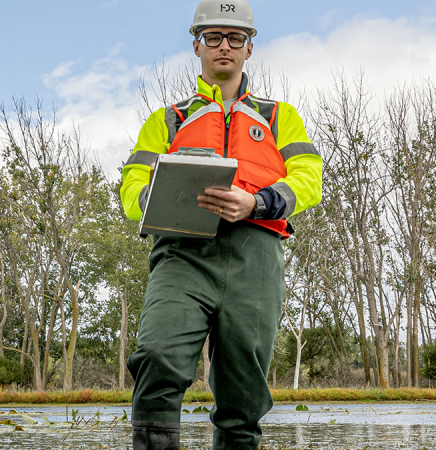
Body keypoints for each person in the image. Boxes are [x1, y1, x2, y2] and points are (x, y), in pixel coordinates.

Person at [118, 0, 324, 448]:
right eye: (213, 37)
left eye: (236, 38)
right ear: (197, 45)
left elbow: (309, 180)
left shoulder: (279, 117)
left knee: (244, 395)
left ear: (250, 48)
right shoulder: (167, 120)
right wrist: (156, 198)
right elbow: (132, 187)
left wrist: (257, 202)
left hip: (255, 259)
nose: (224, 46)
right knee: (156, 354)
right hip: (181, 255)